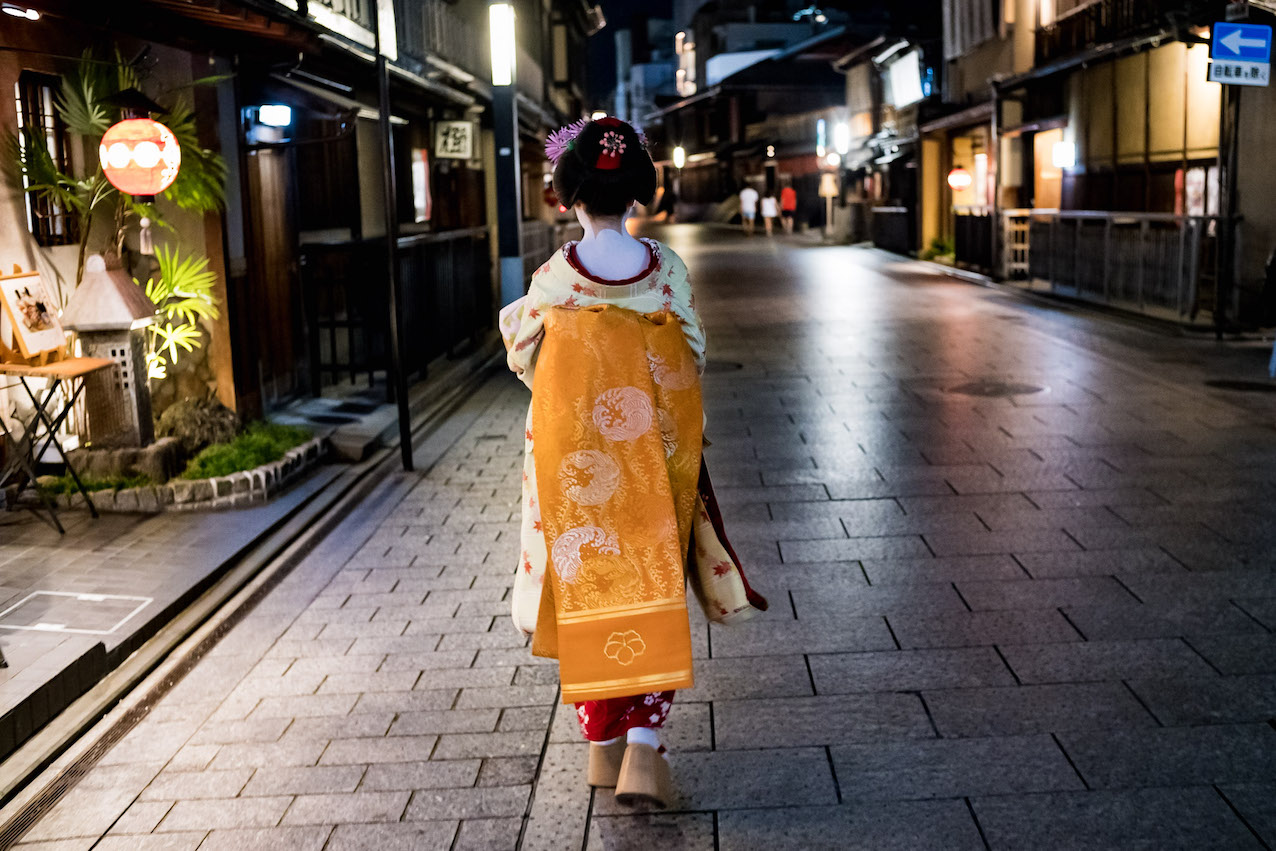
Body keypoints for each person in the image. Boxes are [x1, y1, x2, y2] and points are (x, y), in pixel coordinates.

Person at [500, 116, 707, 810]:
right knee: (652, 577)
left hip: (576, 460)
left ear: (571, 197)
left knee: (586, 578)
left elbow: (523, 355)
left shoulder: (555, 276)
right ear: (637, 194)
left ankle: (601, 745)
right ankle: (644, 748)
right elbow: (694, 352)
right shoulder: (665, 269)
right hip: (653, 457)